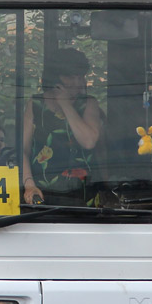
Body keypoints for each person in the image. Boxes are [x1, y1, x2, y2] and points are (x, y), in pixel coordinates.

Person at [21, 48, 104, 205]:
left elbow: (88, 141)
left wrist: (66, 105)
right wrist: (29, 185)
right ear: (55, 78)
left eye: (80, 77)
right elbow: (23, 151)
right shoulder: (35, 104)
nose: (77, 83)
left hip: (83, 191)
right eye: (70, 77)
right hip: (41, 190)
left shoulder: (88, 103)